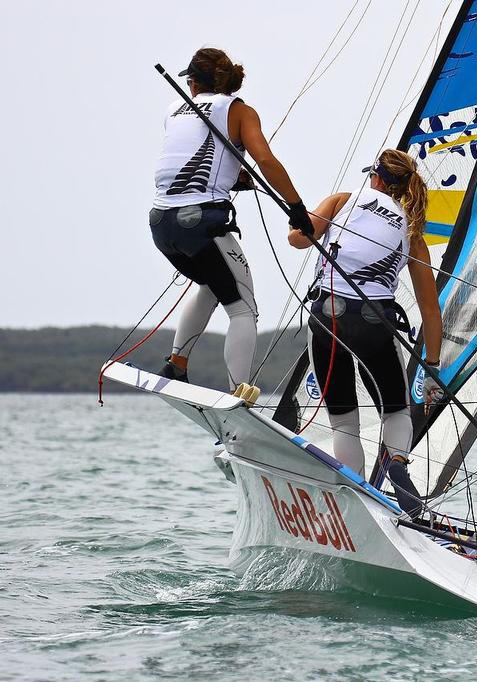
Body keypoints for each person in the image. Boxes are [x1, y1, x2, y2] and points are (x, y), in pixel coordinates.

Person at [150, 47, 315, 391]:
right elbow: (266, 161)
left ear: (194, 82)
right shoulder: (238, 111)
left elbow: (187, 156)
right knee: (243, 310)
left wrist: (230, 177)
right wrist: (296, 206)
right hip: (200, 224)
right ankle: (239, 391)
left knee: (212, 285)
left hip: (161, 225)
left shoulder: (173, 109)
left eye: (190, 80)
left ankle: (176, 364)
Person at [287, 149, 442, 515]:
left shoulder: (343, 200)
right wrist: (431, 368)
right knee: (395, 411)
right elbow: (431, 312)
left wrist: (299, 222)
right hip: (376, 321)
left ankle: (356, 497)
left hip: (328, 316)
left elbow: (297, 240)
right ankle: (398, 463)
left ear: (373, 176)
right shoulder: (413, 231)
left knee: (344, 422)